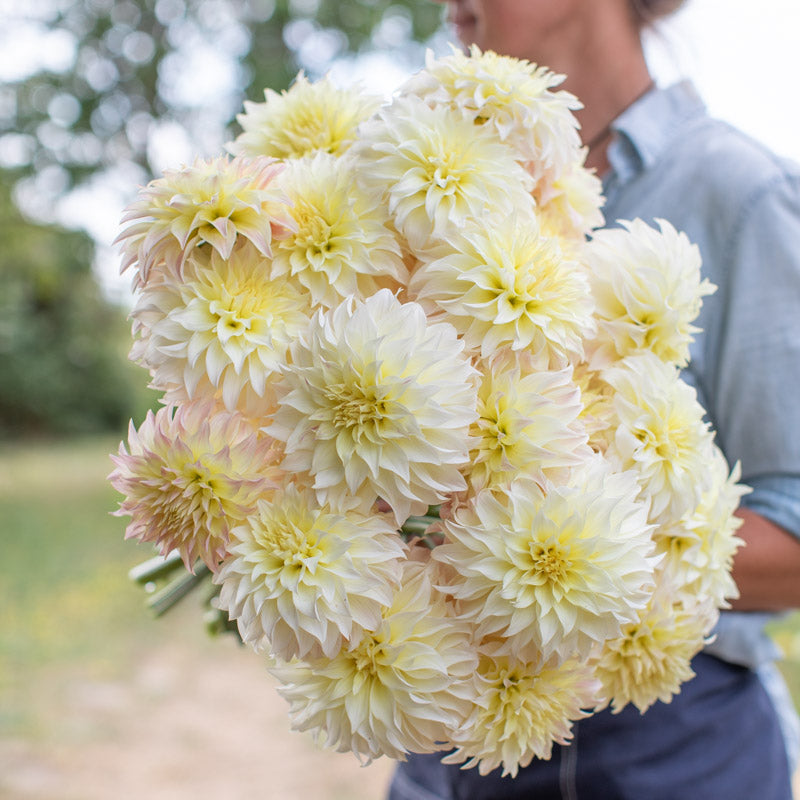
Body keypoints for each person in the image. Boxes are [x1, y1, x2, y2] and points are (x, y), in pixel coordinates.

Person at [388, 1, 800, 798]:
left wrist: (557, 563)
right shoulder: (442, 190)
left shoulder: (742, 191)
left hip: (663, 750)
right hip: (455, 746)